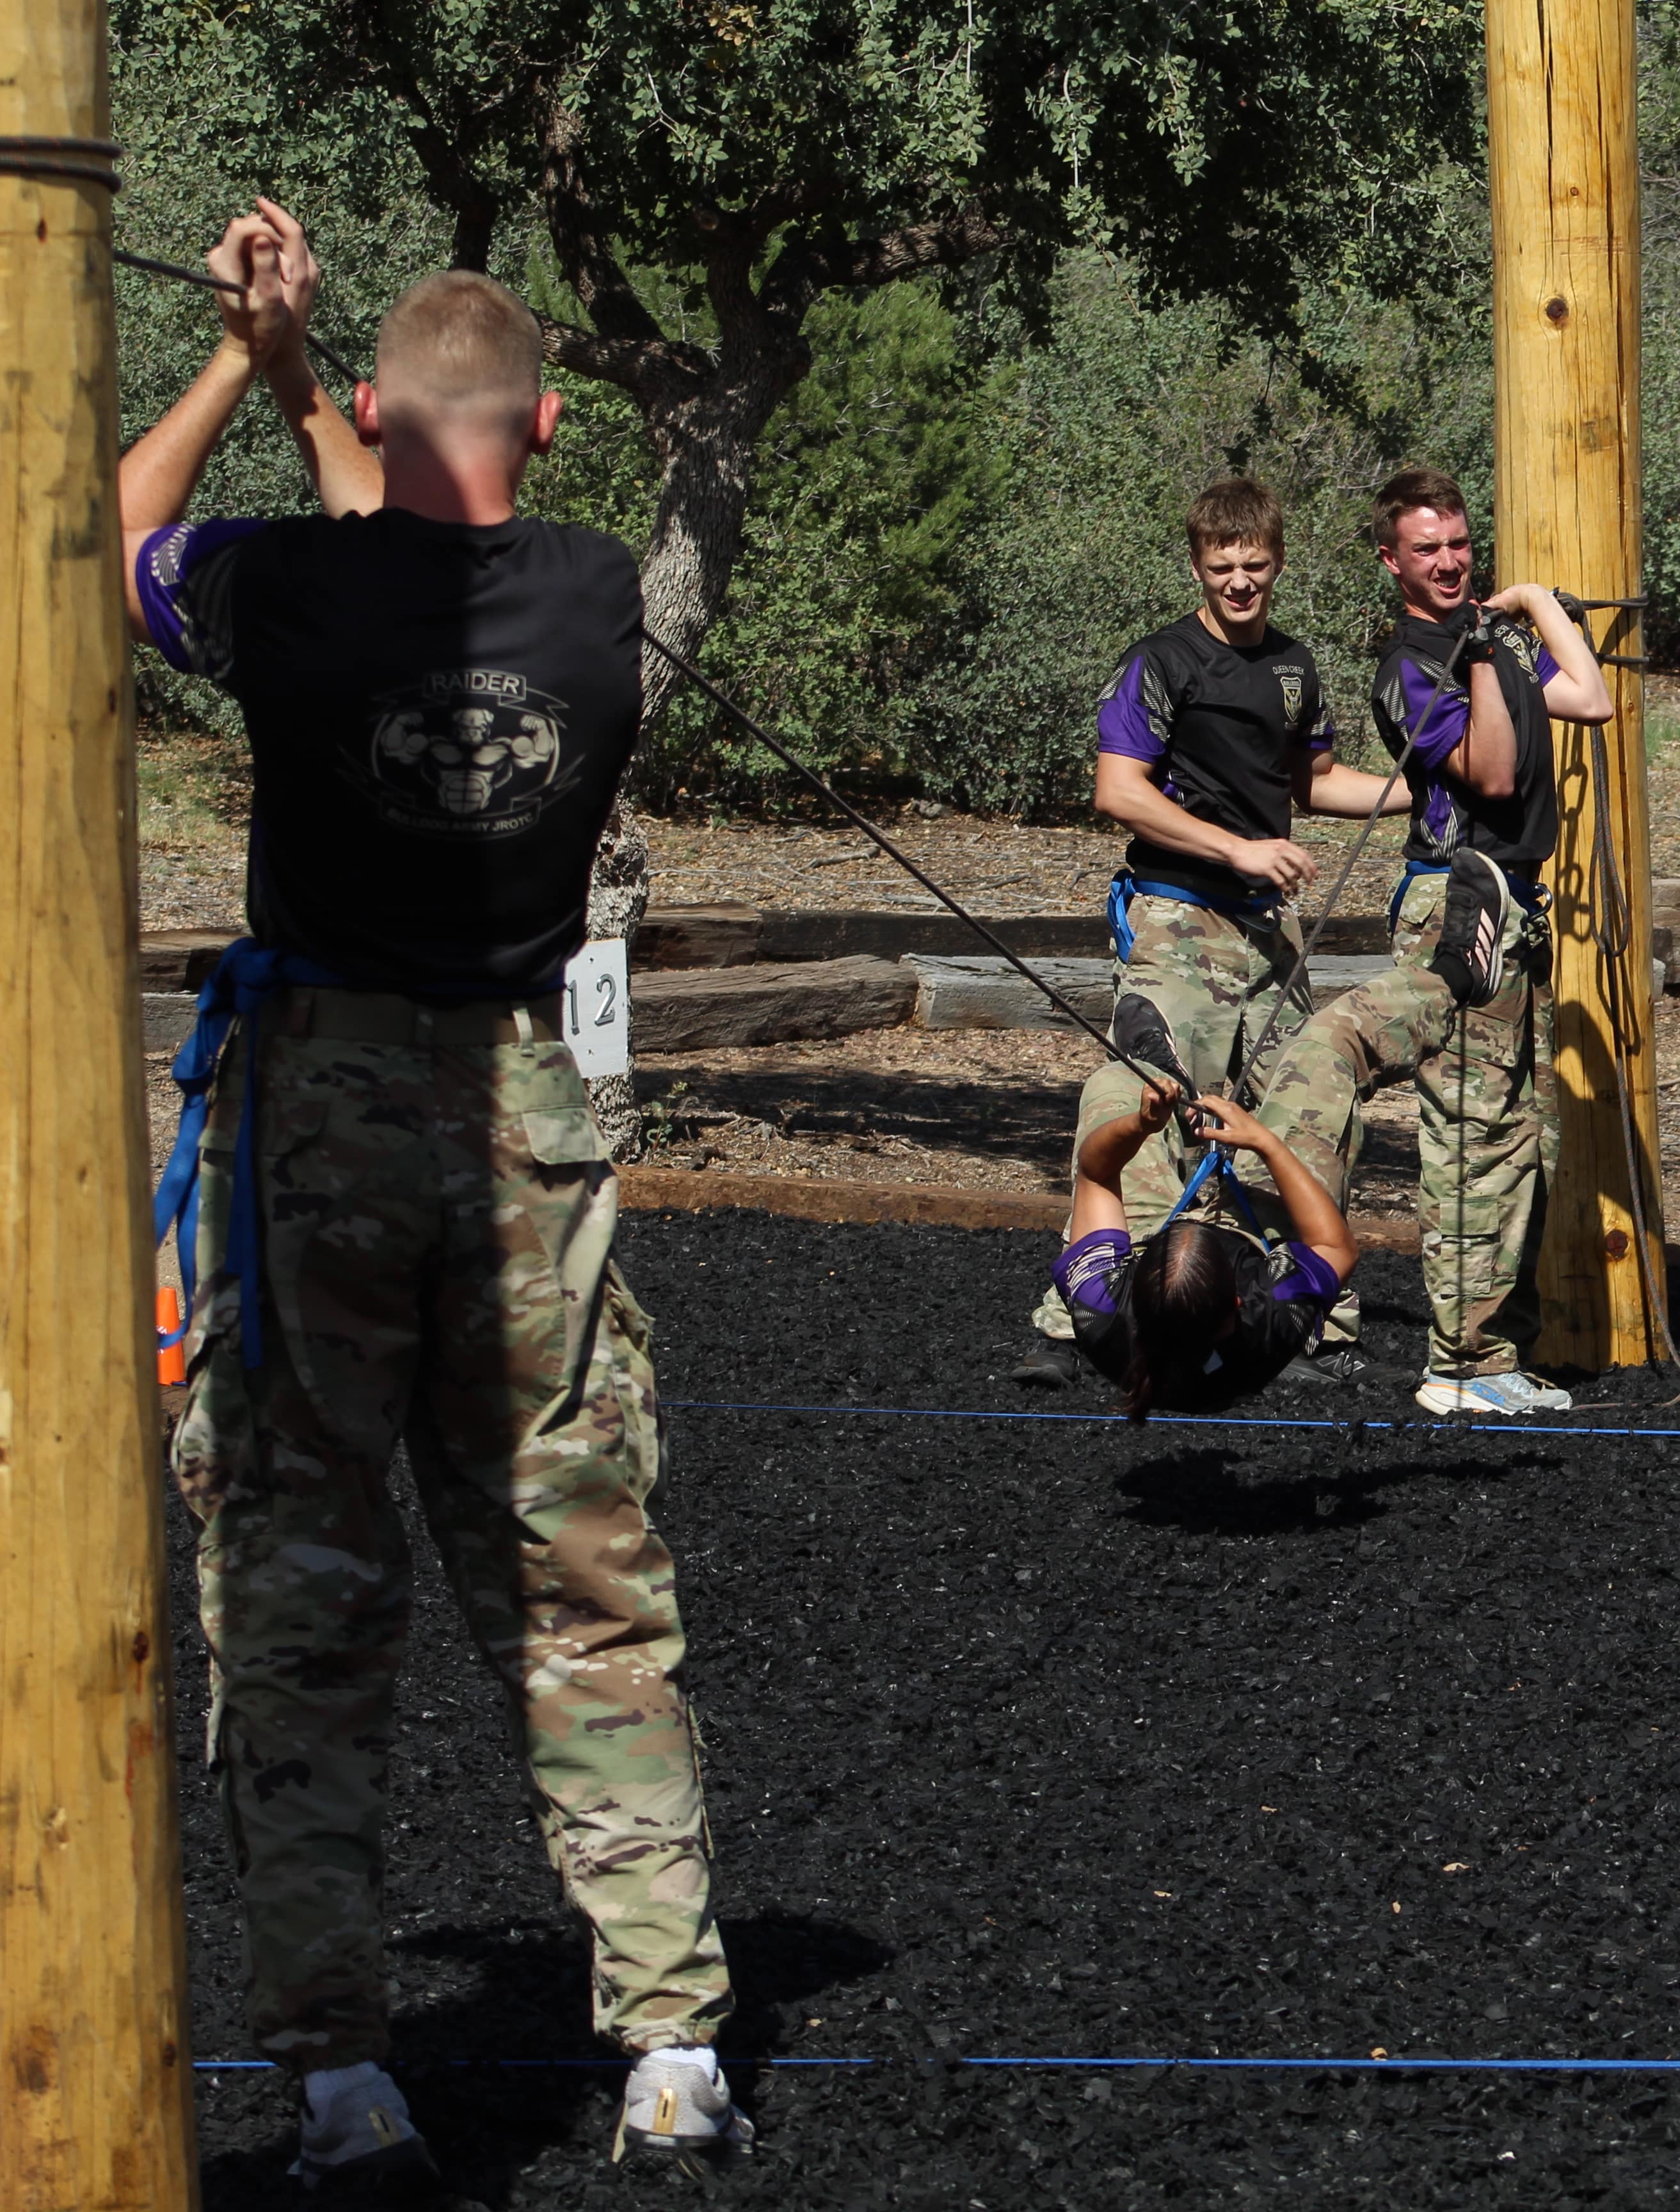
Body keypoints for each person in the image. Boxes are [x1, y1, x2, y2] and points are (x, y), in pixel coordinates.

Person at [123, 206, 747, 2181]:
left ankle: (335, 2072)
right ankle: (669, 2041)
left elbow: (94, 533)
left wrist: (243, 352)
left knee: (300, 1604)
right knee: (583, 1591)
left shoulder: (288, 595)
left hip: (319, 1123)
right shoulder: (589, 600)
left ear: (384, 414)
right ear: (551, 428)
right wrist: (327, 379)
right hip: (526, 1123)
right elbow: (422, 529)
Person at [1012, 479, 1407, 1388]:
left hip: (1268, 934)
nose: (1240, 584)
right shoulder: (1162, 661)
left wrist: (1419, 795)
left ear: (1278, 562)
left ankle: (1292, 1313)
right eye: (1222, 568)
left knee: (1304, 1108)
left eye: (1256, 568)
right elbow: (1119, 791)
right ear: (1197, 566)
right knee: (1154, 1105)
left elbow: (1314, 783)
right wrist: (1239, 847)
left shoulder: (1296, 668)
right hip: (1177, 918)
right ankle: (1079, 1322)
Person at [1247, 467, 1613, 1415]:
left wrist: (1531, 603)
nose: (1449, 563)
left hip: (1508, 901)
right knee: (1475, 1136)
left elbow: (1591, 697)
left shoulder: (1487, 639)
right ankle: (1463, 1363)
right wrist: (1494, 649)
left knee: (1507, 1133)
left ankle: (1485, 1355)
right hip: (1457, 899)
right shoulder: (1414, 664)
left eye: (1457, 544)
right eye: (1426, 550)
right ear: (1390, 561)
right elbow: (1490, 773)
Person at [1049, 1076, 1361, 1416]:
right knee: (1320, 1070)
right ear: (1238, 1301)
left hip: (1148, 1237)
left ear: (1135, 1287)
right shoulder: (1272, 1318)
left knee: (1114, 1082)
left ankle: (1161, 1076)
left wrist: (1141, 1123)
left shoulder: (1103, 1309)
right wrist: (1265, 1143)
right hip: (1250, 1237)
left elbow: (1095, 1174)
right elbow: (1335, 1247)